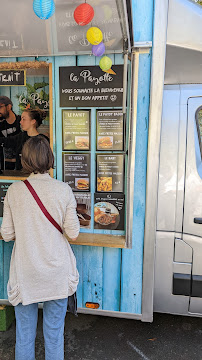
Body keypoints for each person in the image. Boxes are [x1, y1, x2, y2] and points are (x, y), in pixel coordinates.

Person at [0, 136, 80, 360]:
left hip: (26, 274)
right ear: (50, 159)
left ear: (24, 160)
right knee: (54, 335)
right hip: (56, 273)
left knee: (24, 336)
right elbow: (72, 233)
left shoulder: (14, 191)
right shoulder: (63, 190)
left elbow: (7, 234)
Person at [0, 96, 21, 170]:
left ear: (8, 107)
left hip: (22, 164)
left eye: (0, 107)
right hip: (5, 166)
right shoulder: (1, 124)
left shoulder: (22, 122)